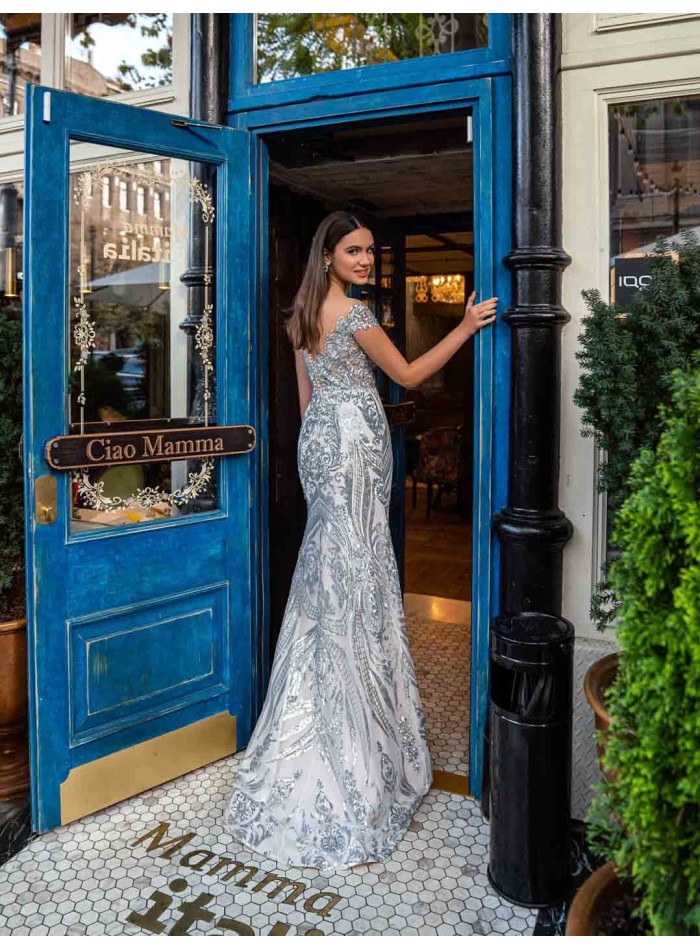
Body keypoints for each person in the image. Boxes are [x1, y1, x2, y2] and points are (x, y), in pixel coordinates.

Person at [225, 210, 498, 870]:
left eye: (370, 251)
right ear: (327, 255)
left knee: (331, 577)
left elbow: (304, 397)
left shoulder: (301, 313)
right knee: (356, 579)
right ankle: (354, 744)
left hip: (321, 444)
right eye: (354, 250)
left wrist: (315, 454)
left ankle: (328, 714)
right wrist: (463, 327)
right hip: (353, 448)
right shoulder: (353, 313)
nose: (366, 259)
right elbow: (404, 377)